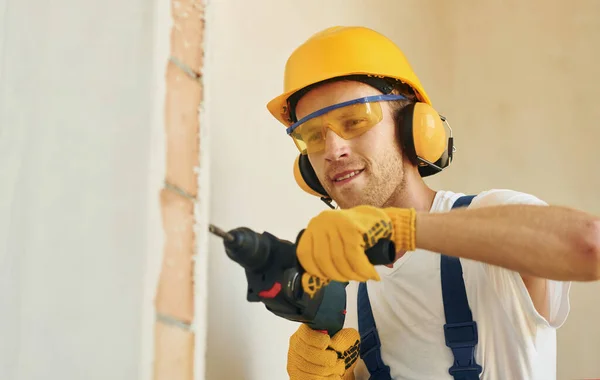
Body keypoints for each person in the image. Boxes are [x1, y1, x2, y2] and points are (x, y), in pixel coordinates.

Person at [266, 26, 600, 380]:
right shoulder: (344, 299)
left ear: (412, 125)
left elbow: (589, 245)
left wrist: (401, 229)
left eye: (354, 120)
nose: (334, 150)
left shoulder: (491, 218)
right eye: (313, 136)